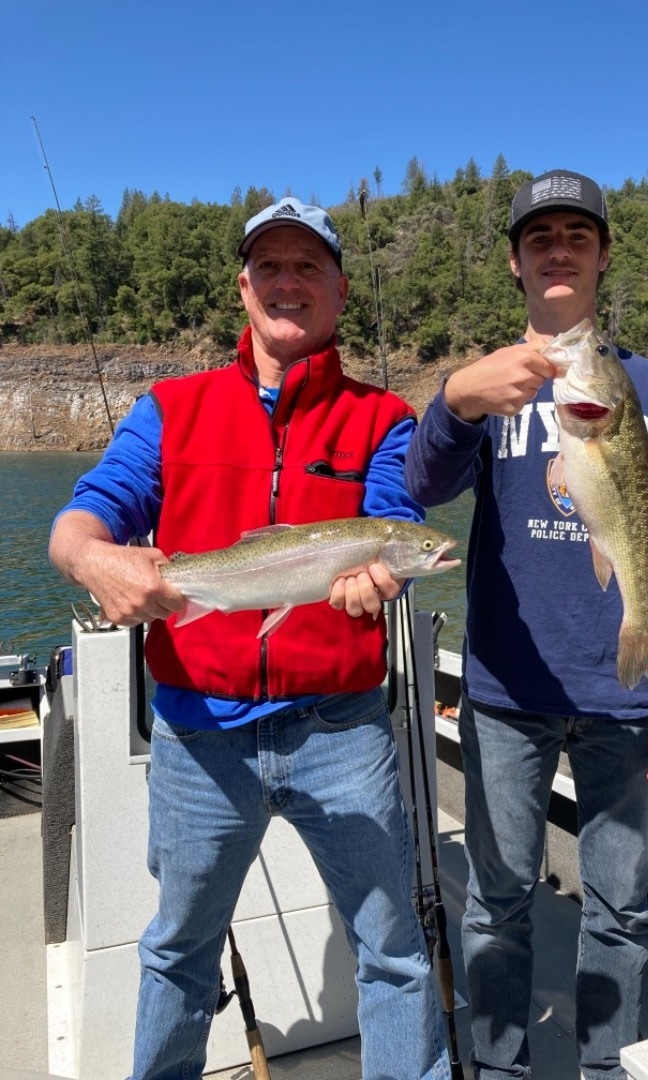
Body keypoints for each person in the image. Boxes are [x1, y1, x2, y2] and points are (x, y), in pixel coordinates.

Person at [49, 197, 450, 1080]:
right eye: (270, 266)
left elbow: (394, 516)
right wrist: (91, 558)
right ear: (243, 287)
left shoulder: (385, 417)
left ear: (339, 291)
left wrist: (386, 569)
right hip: (199, 738)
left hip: (344, 733)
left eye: (308, 267)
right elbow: (93, 509)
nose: (288, 282)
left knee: (393, 951)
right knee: (175, 953)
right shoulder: (170, 406)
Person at [405, 170, 648, 1080]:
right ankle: (501, 1071)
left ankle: (605, 1071)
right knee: (496, 903)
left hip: (627, 704)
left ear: (601, 257)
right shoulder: (487, 385)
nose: (558, 249)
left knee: (620, 912)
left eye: (576, 236)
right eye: (539, 237)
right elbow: (421, 489)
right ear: (514, 262)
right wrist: (458, 397)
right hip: (506, 695)